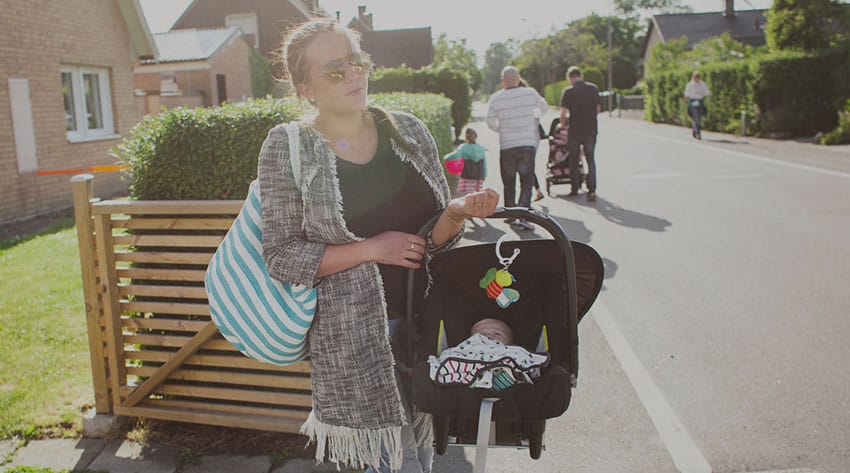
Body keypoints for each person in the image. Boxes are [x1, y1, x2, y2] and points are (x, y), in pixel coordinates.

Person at [259, 18, 500, 473]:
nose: (354, 75)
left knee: (422, 458)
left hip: (429, 329)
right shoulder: (286, 147)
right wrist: (371, 248)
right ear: (305, 87)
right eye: (335, 70)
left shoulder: (407, 130)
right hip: (354, 343)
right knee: (387, 463)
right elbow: (281, 254)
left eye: (359, 62)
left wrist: (455, 214)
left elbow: (432, 244)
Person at [487, 66, 548, 230]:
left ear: (502, 81)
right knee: (526, 181)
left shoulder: (496, 98)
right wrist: (532, 119)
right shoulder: (530, 93)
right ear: (518, 78)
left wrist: (503, 130)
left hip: (507, 145)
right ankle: (523, 216)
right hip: (527, 143)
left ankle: (510, 214)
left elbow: (490, 122)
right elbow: (543, 107)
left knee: (508, 181)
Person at [560, 66, 601, 202]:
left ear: (570, 77)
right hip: (590, 130)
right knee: (590, 159)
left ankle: (574, 187)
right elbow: (598, 109)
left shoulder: (568, 91)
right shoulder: (593, 88)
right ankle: (592, 189)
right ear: (581, 76)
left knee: (573, 159)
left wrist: (563, 126)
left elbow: (563, 113)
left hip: (575, 130)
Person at [442, 127, 487, 197]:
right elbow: (484, 164)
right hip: (479, 177)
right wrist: (484, 176)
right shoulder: (481, 148)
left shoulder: (464, 147)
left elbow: (455, 155)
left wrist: (445, 158)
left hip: (467, 176)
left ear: (466, 137)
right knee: (477, 196)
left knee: (465, 196)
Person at [684, 71, 710, 140]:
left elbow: (706, 91)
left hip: (700, 102)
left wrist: (708, 97)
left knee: (698, 119)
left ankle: (694, 130)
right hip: (693, 103)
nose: (697, 78)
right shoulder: (690, 84)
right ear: (693, 77)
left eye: (698, 76)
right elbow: (687, 93)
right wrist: (685, 100)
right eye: (695, 76)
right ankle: (698, 134)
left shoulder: (702, 84)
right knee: (696, 118)